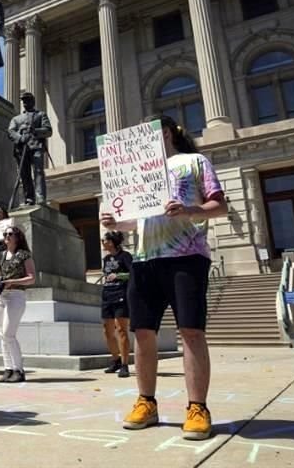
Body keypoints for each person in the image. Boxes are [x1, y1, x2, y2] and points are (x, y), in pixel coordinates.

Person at [100, 115, 226, 441]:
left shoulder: (194, 162)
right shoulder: (139, 172)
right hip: (144, 260)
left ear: (165, 133)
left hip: (186, 257)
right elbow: (137, 220)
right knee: (142, 332)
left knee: (191, 331)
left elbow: (219, 206)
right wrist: (116, 223)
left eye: (147, 135)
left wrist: (189, 210)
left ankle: (197, 407)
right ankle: (146, 402)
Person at [0, 225, 36, 383]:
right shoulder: (1, 256)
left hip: (16, 295)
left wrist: (12, 281)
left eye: (10, 234)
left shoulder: (24, 255)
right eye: (5, 234)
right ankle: (8, 368)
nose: (7, 236)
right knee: (2, 334)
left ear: (18, 237)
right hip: (0, 296)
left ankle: (19, 370)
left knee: (8, 333)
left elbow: (31, 278)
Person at [8, 92, 52, 207]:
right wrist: (20, 138)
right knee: (25, 174)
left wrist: (35, 131)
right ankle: (29, 198)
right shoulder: (16, 119)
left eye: (28, 100)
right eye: (24, 101)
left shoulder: (41, 115)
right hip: (21, 149)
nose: (25, 102)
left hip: (36, 147)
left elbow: (48, 131)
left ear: (33, 101)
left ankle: (40, 197)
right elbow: (11, 132)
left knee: (38, 172)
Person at [100, 231, 133, 378]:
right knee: (107, 330)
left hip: (121, 295)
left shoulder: (125, 256)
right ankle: (116, 360)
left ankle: (125, 365)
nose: (102, 243)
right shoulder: (106, 258)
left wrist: (118, 275)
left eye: (104, 240)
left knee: (121, 329)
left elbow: (133, 273)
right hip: (107, 295)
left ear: (112, 242)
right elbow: (106, 274)